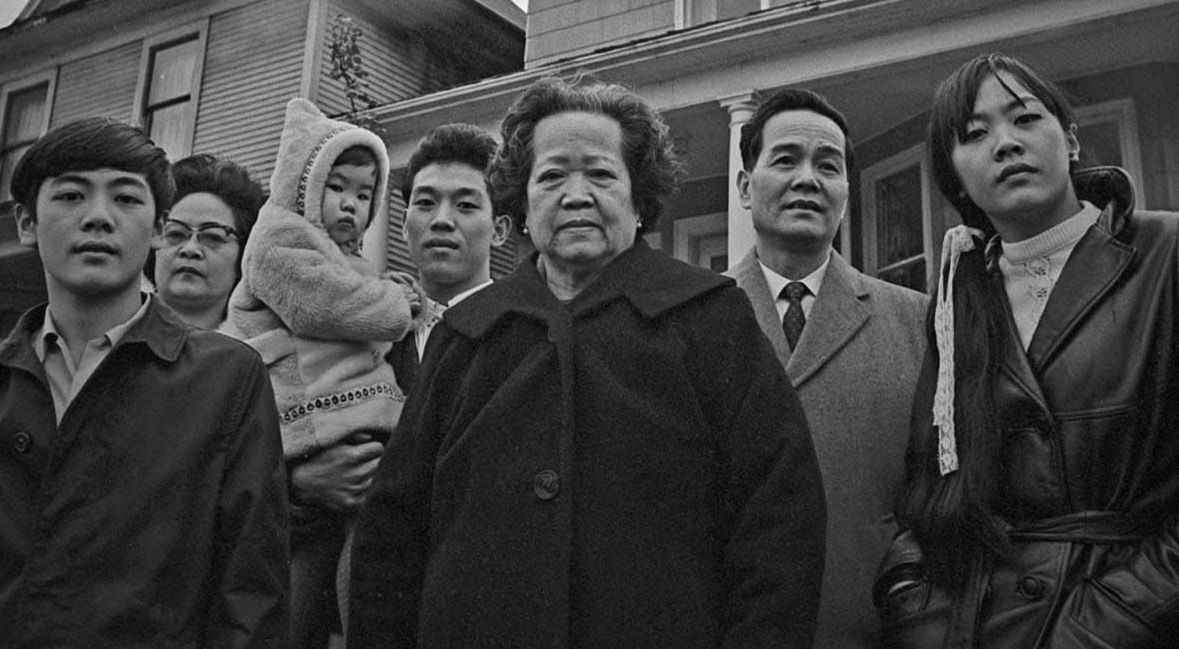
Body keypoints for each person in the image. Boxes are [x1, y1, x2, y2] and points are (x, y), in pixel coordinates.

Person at [348, 76, 827, 648]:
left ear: (639, 197)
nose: (577, 195)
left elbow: (779, 522)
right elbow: (391, 539)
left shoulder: (710, 318)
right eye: (551, 177)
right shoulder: (466, 335)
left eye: (601, 174)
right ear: (521, 205)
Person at [875, 53, 1179, 647]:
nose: (1005, 143)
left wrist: (1099, 629)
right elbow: (928, 490)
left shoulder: (1166, 256)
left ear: (1069, 139)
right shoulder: (957, 296)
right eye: (975, 134)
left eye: (1025, 119)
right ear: (954, 177)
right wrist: (916, 613)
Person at [0, 117, 288, 646]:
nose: (98, 218)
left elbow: (249, 595)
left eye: (127, 199)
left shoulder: (226, 379)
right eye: (70, 195)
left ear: (157, 227)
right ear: (26, 222)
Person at [727, 87, 927, 648]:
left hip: (872, 628)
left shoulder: (916, 320)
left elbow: (937, 491)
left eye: (828, 165)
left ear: (845, 189)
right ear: (746, 187)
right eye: (786, 159)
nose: (808, 179)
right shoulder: (693, 321)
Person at [225, 97, 420, 648]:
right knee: (304, 584)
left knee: (364, 564)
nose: (352, 205)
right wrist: (395, 306)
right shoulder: (278, 239)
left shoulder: (344, 257)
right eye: (338, 187)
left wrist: (388, 297)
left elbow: (362, 315)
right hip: (309, 423)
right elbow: (324, 308)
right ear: (303, 185)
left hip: (353, 417)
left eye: (365, 194)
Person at [390, 122, 511, 395]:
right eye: (425, 203)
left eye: (465, 205)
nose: (442, 220)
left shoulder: (524, 333)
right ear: (403, 225)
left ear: (500, 230)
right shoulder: (373, 330)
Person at [148, 152, 264, 329]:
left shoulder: (265, 353)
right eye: (176, 234)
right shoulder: (105, 340)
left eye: (213, 237)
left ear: (244, 255)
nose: (190, 249)